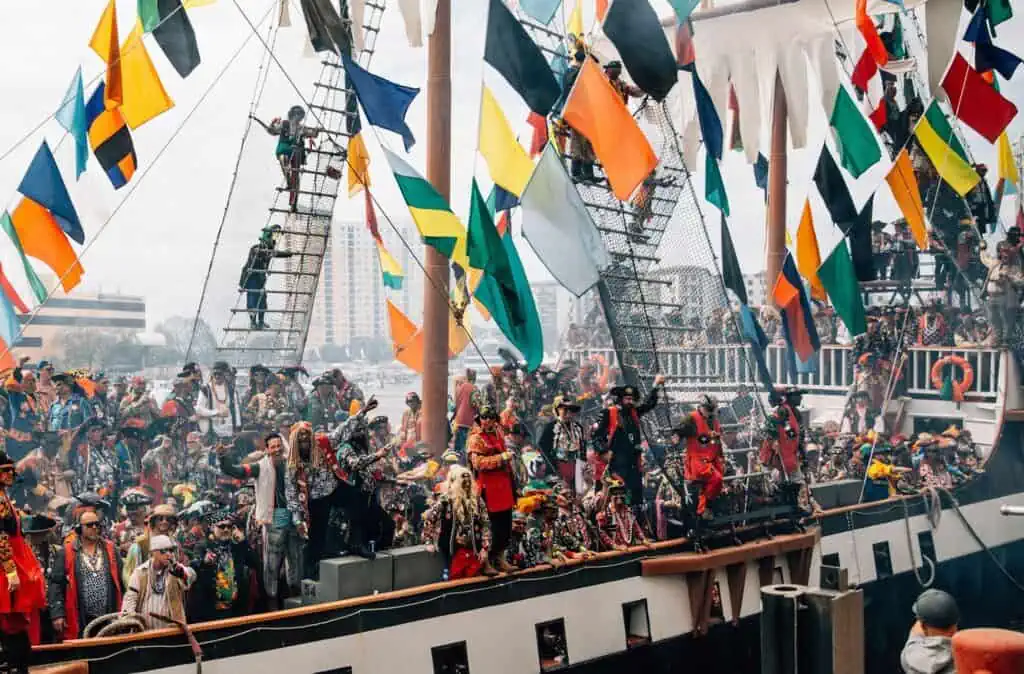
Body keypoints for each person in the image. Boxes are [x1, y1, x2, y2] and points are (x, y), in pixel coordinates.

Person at [218, 433, 302, 603]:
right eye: (273, 446)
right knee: (273, 559)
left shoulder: (291, 463)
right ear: (267, 450)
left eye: (279, 445)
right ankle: (271, 599)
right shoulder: (260, 467)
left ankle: (296, 594)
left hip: (294, 515)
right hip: (276, 515)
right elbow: (236, 471)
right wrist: (223, 457)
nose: (277, 449)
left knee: (295, 556)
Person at [0, 451, 46, 672]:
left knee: (13, 620)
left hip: (13, 559)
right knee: (10, 620)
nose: (11, 474)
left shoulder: (3, 496)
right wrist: (10, 571)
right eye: (5, 470)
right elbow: (0, 537)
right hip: (6, 565)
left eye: (11, 469)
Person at [49, 509, 123, 641]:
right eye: (89, 525)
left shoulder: (111, 549)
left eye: (97, 524)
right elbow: (55, 584)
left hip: (109, 615)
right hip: (80, 616)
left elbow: (122, 581)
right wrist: (57, 614)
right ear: (79, 528)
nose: (94, 527)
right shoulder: (66, 552)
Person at [592, 377, 665, 510]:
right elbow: (596, 436)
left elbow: (649, 404)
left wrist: (656, 386)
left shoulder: (634, 412)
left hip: (633, 461)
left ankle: (635, 523)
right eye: (627, 398)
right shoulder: (609, 413)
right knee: (618, 494)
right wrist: (603, 451)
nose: (630, 401)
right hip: (616, 462)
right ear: (620, 399)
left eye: (632, 399)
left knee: (636, 495)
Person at [330, 403, 391, 559]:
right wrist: (377, 455)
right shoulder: (345, 448)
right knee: (357, 522)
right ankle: (357, 546)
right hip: (351, 493)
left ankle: (376, 546)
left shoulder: (362, 448)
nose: (362, 433)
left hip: (368, 495)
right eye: (358, 430)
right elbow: (356, 464)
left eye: (363, 430)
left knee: (385, 523)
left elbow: (368, 470)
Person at [283, 422, 341, 576]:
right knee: (314, 540)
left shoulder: (321, 447)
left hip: (330, 495)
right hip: (309, 504)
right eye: (300, 438)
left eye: (306, 437)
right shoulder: (292, 464)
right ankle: (311, 571)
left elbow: (340, 432)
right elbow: (291, 491)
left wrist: (360, 413)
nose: (304, 440)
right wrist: (297, 517)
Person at [468, 406, 517, 573]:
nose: (487, 420)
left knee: (506, 524)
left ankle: (500, 557)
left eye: (490, 417)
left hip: (503, 485)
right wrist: (501, 458)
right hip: (488, 487)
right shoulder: (476, 438)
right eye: (483, 417)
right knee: (490, 526)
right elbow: (477, 463)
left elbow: (507, 418)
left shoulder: (498, 433)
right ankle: (487, 561)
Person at [423, 465, 492, 578]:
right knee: (452, 579)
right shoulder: (445, 500)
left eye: (469, 481)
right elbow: (430, 519)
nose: (467, 484)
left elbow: (486, 524)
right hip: (450, 551)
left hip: (474, 550)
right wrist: (428, 541)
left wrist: (485, 549)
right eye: (463, 482)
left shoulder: (478, 500)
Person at [188, 509, 256, 622]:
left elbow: (255, 564)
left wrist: (244, 542)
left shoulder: (237, 546)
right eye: (222, 526)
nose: (226, 529)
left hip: (236, 610)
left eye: (229, 527)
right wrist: (204, 562)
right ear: (212, 528)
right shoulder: (203, 546)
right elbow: (193, 567)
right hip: (210, 611)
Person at [122, 534, 195, 631]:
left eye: (171, 550)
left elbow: (191, 575)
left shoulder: (176, 570)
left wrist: (181, 573)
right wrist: (129, 620)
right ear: (153, 552)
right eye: (163, 551)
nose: (169, 554)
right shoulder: (140, 572)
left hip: (172, 631)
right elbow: (130, 599)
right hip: (145, 632)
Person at [239, 225, 294, 330]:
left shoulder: (269, 250)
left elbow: (276, 253)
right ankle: (253, 323)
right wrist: (266, 253)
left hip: (260, 278)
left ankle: (260, 322)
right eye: (273, 235)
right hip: (251, 278)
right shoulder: (256, 248)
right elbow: (257, 252)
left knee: (263, 300)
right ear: (267, 236)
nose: (274, 239)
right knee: (252, 299)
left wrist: (289, 254)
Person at [678, 395, 725, 518]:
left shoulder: (714, 421)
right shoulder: (691, 418)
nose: (709, 412)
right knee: (716, 478)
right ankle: (703, 508)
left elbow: (717, 441)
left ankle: (706, 507)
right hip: (697, 460)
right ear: (701, 407)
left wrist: (720, 455)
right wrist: (676, 436)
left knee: (719, 481)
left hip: (712, 458)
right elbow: (679, 431)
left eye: (711, 410)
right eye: (707, 409)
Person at [901, 589, 958, 674]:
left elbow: (911, 647)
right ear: (956, 623)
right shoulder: (966, 656)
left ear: (923, 626)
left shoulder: (910, 660)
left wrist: (916, 637)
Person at [538, 396, 586, 495]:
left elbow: (582, 448)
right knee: (562, 498)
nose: (568, 413)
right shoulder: (551, 427)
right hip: (557, 467)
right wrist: (553, 469)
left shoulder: (578, 427)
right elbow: (542, 447)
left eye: (571, 410)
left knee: (579, 495)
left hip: (576, 466)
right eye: (565, 410)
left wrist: (583, 466)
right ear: (557, 410)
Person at [197, 362, 242, 442]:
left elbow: (236, 409)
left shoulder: (231, 390)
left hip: (229, 432)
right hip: (211, 432)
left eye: (220, 374)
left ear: (225, 374)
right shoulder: (205, 389)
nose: (217, 376)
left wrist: (238, 427)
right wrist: (215, 413)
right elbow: (199, 409)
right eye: (215, 374)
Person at [453, 369, 479, 457]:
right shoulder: (474, 388)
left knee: (458, 447)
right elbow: (476, 404)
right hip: (469, 421)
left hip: (459, 419)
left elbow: (456, 402)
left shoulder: (460, 387)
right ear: (474, 378)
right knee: (466, 446)